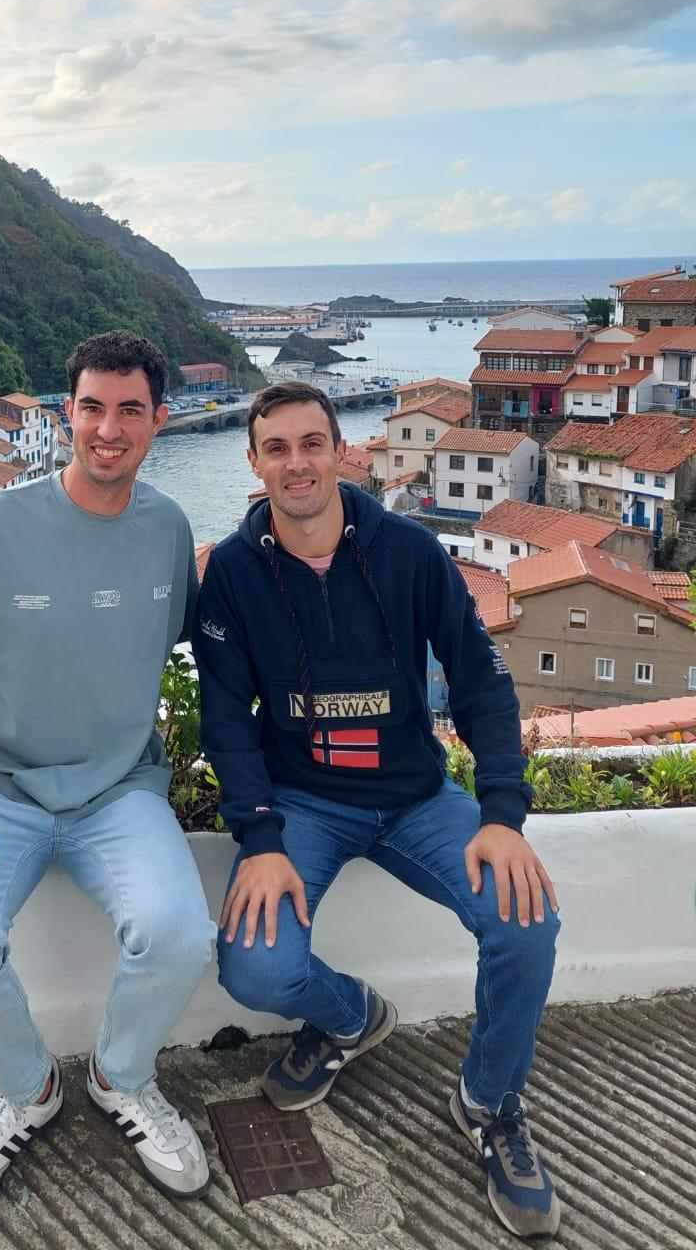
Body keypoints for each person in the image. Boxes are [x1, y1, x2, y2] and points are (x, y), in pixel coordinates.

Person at [193, 382, 561, 1240]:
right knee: (255, 970)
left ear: (339, 452)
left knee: (527, 925)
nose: (296, 464)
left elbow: (480, 681)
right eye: (277, 448)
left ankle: (490, 1102)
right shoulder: (234, 575)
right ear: (254, 462)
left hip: (417, 798)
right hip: (302, 804)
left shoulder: (410, 553)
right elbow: (226, 718)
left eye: (311, 444)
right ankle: (352, 1017)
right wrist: (260, 836)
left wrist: (501, 815)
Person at [0, 330, 216, 1215]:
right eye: (92, 408)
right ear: (67, 414)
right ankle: (28, 1089)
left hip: (119, 791)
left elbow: (203, 645)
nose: (108, 429)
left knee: (179, 933)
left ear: (159, 420)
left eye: (129, 410)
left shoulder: (169, 528)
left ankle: (122, 1078)